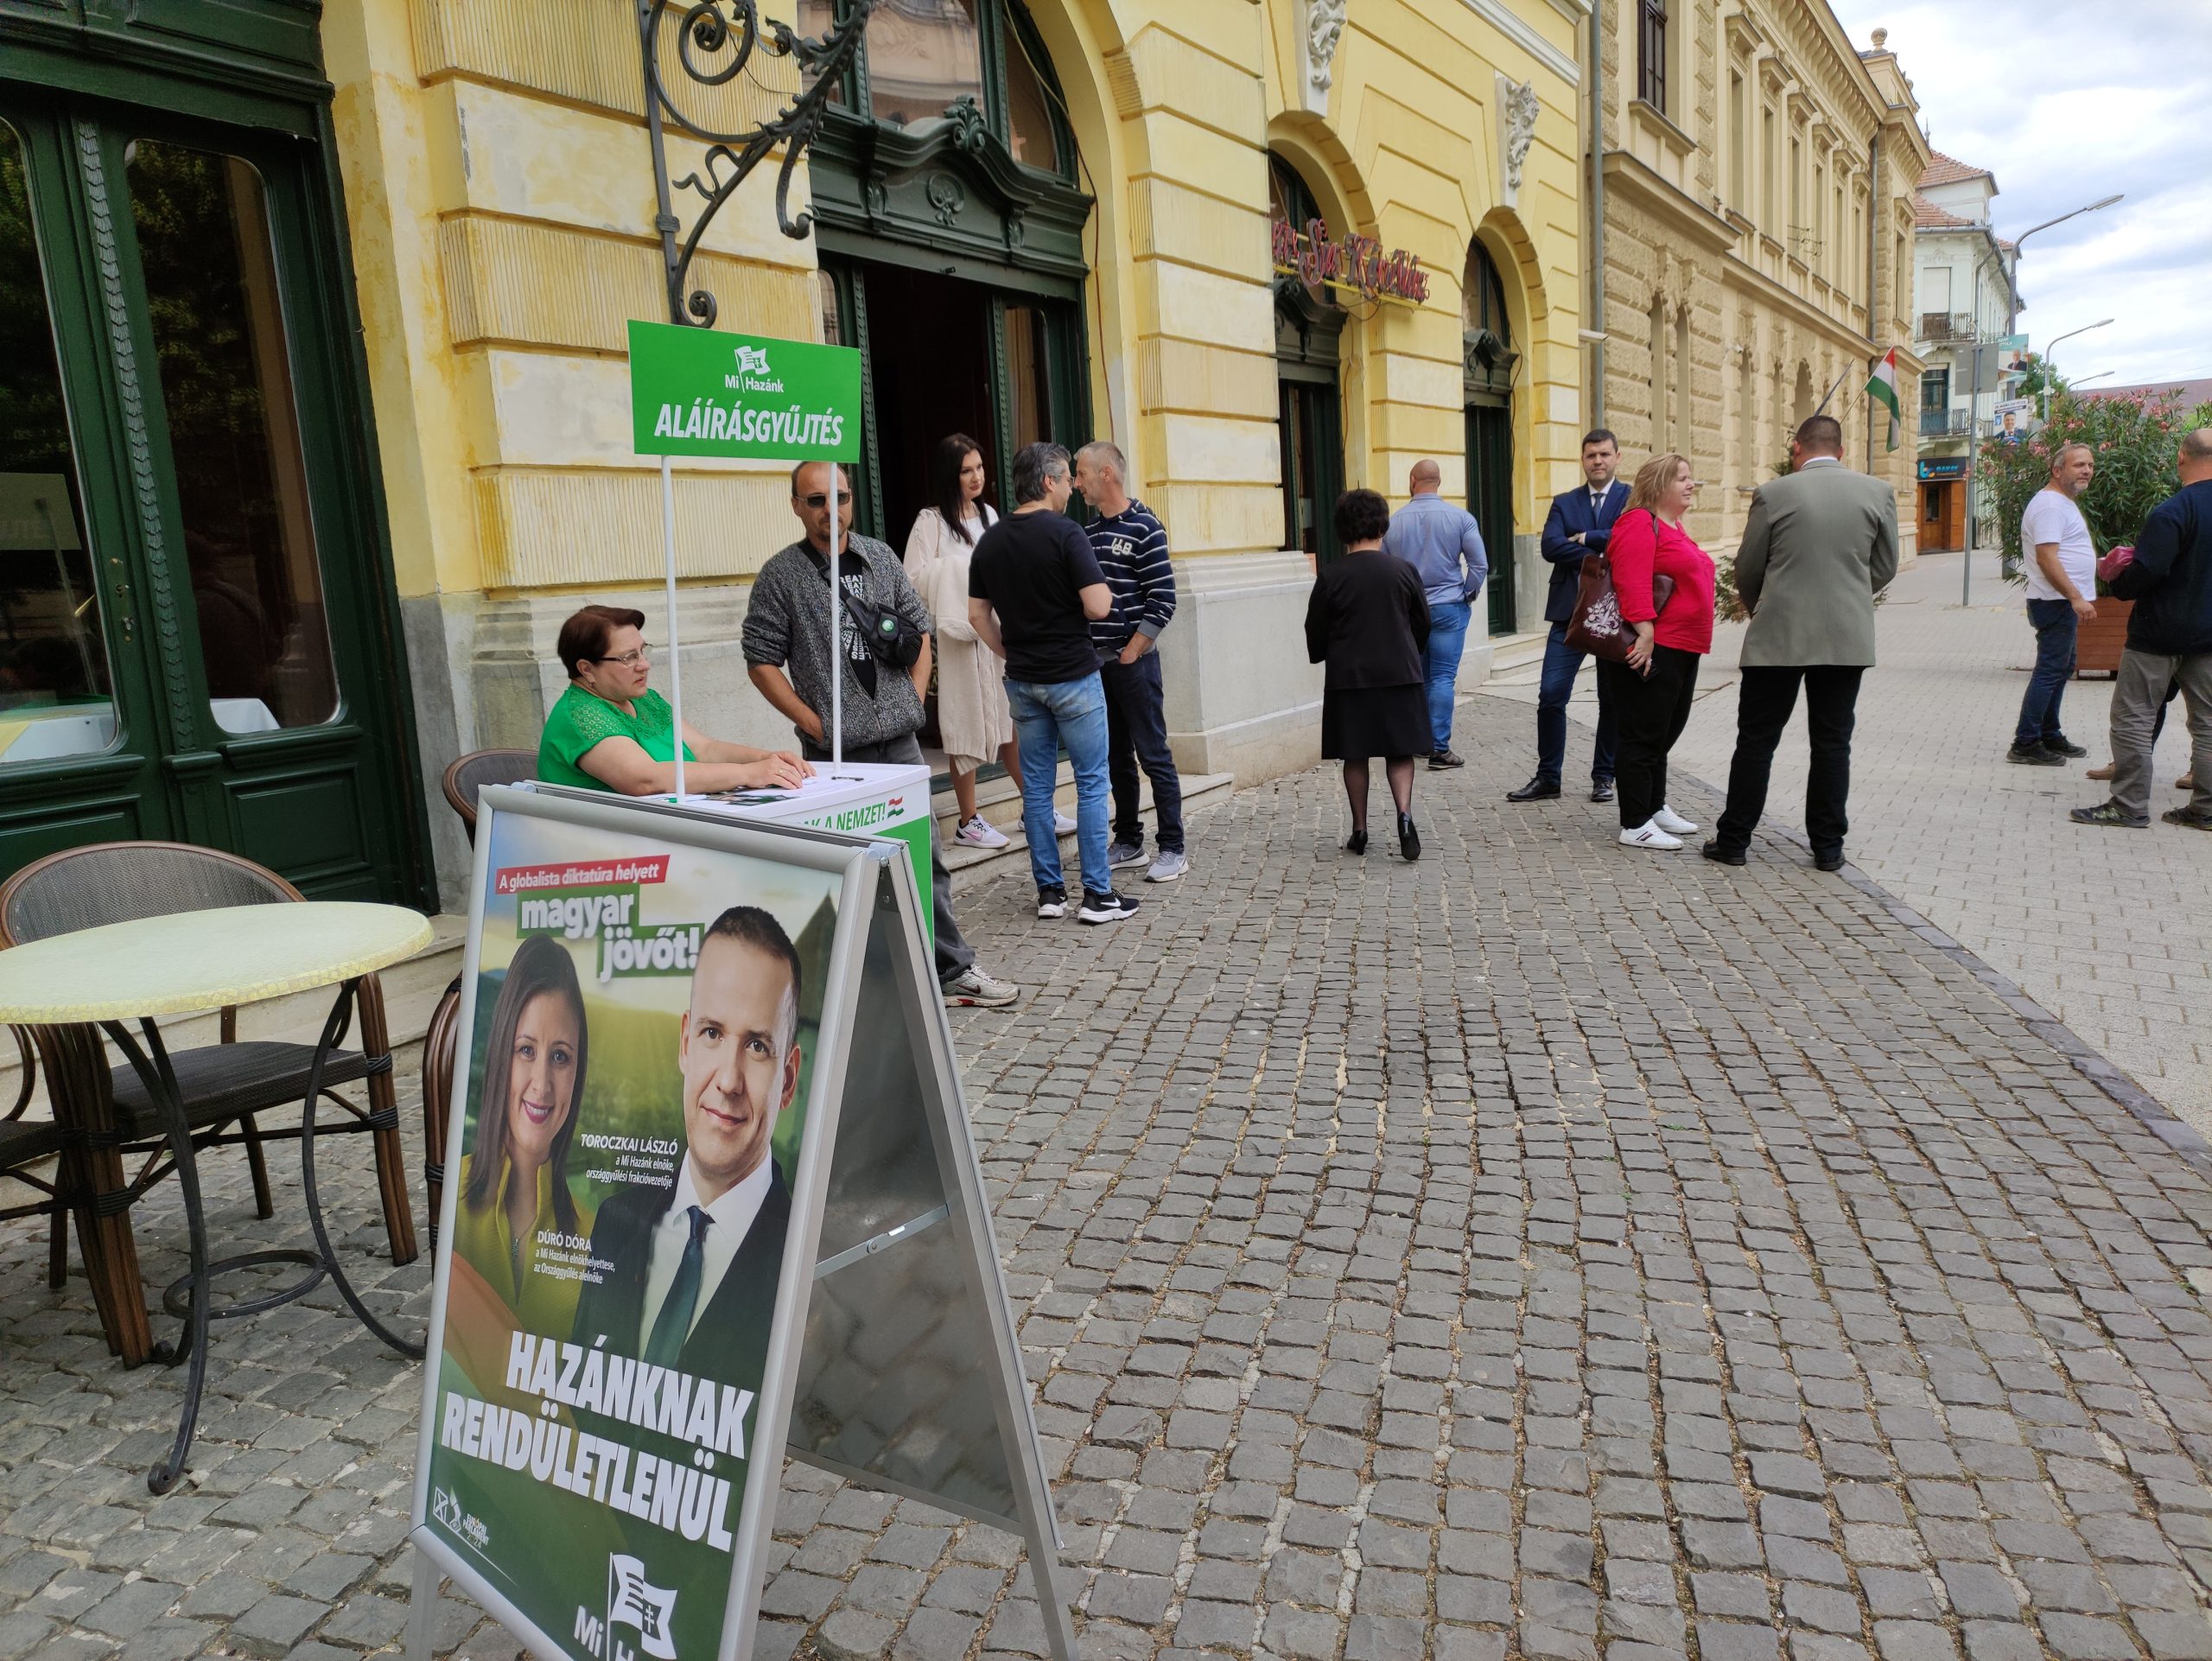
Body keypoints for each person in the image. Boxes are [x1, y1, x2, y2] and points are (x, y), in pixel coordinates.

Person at [743, 461, 1020, 1007]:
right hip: (835, 752)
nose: (831, 511)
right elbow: (760, 658)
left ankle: (950, 968)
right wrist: (810, 719)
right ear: (796, 506)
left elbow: (920, 630)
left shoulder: (880, 558)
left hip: (898, 743)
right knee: (845, 864)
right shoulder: (781, 576)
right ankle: (857, 987)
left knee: (923, 855)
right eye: (816, 500)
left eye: (840, 498)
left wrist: (913, 699)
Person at [571, 907, 798, 1377]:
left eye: (758, 1046)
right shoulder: (616, 1221)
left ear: (789, 1079)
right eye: (712, 1033)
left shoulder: (805, 1257)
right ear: (685, 1044)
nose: (729, 1081)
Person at [1704, 415, 1899, 874]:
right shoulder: (1877, 492)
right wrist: (1849, 593)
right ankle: (1828, 848)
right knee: (1833, 744)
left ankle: (1734, 841)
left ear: (1797, 449)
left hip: (1778, 634)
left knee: (1756, 740)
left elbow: (1748, 567)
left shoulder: (1774, 494)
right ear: (1842, 450)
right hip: (1845, 637)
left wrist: (1764, 606)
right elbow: (1886, 564)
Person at [969, 442, 1138, 925]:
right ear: (1047, 481)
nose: (1071, 487)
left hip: (1023, 680)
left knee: (1037, 789)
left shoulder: (992, 540)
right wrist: (1100, 588)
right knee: (1090, 783)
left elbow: (976, 614)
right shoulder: (1067, 534)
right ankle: (1099, 895)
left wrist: (1008, 650)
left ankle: (1049, 893)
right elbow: (1098, 606)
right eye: (1066, 478)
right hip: (1073, 676)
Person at [2072, 427, 2212, 831]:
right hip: (2209, 638)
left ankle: (2129, 805)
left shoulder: (2173, 511)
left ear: (2182, 457)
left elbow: (2148, 570)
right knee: (2207, 722)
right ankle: (2205, 809)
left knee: (2133, 717)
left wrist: (2118, 582)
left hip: (2158, 633)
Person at [452, 935, 592, 1336]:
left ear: (577, 1075)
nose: (542, 1085)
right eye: (526, 1050)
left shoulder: (596, 1235)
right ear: (500, 1056)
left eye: (560, 1057)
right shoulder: (455, 1206)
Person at [537, 605, 812, 794]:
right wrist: (749, 774)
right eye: (628, 657)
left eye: (642, 652)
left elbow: (705, 750)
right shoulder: (581, 716)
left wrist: (766, 759)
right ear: (586, 669)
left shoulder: (642, 700)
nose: (644, 665)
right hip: (614, 860)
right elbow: (644, 779)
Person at [1074, 440, 1187, 883]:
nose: (1076, 482)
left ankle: (1174, 847)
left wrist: (1131, 651)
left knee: (1153, 753)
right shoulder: (1086, 533)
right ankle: (1129, 841)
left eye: (1081, 473)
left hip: (1133, 663)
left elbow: (1163, 600)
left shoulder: (1146, 527)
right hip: (1096, 665)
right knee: (1116, 756)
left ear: (1106, 474)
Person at [904, 435, 1024, 850]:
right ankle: (968, 819)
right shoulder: (931, 521)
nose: (977, 477)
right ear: (950, 475)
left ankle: (1033, 806)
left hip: (993, 630)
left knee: (1010, 720)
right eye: (966, 470)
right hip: (957, 637)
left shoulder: (990, 514)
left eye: (980, 467)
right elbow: (913, 578)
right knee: (964, 722)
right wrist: (960, 571)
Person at [1304, 487, 1430, 861]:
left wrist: (1326, 655)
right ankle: (1404, 817)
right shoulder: (1403, 570)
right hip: (1399, 673)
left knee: (1355, 755)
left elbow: (1315, 629)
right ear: (1382, 525)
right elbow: (1423, 622)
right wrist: (1409, 651)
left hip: (1350, 677)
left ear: (1342, 528)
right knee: (1400, 752)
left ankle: (1359, 830)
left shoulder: (1331, 576)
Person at [1598, 454, 1715, 851]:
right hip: (1655, 646)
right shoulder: (1637, 522)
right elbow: (1630, 579)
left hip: (1683, 645)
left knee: (1663, 731)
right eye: (1682, 478)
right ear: (1660, 484)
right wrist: (1645, 630)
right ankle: (1634, 822)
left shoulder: (1673, 526)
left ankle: (1653, 806)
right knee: (1643, 734)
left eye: (1691, 477)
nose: (1691, 484)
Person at [1510, 430, 1627, 804]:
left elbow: (1628, 539)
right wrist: (1600, 552)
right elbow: (1549, 546)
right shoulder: (1564, 502)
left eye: (1604, 454)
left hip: (1614, 612)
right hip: (1568, 613)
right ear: (1583, 459)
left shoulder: (1631, 499)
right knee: (1551, 694)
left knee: (1612, 699)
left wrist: (1585, 536)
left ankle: (1604, 777)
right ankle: (1548, 778)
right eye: (1591, 455)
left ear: (1616, 457)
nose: (1598, 461)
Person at [1379, 459, 1486, 770]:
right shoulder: (1461, 518)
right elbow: (1479, 565)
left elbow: (1386, 569)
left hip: (1410, 610)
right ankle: (1439, 749)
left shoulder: (1394, 522)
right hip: (1448, 606)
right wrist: (1467, 593)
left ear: (1413, 480)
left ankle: (1420, 741)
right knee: (1441, 677)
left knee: (1419, 676)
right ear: (1438, 482)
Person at [2009, 442, 2098, 766]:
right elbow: (2047, 558)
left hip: (2059, 602)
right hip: (2056, 602)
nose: (2087, 470)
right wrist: (2075, 597)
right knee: (2050, 671)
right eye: (2079, 465)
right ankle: (2026, 742)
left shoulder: (2061, 502)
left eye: (2089, 464)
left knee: (2060, 668)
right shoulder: (2049, 505)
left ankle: (2049, 733)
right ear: (2057, 470)